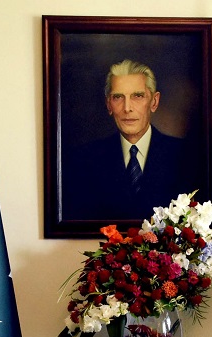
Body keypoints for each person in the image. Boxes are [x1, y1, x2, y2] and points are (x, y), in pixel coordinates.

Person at [62, 59, 201, 221]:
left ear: (154, 102)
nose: (127, 108)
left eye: (138, 96)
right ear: (109, 105)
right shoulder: (83, 160)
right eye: (118, 97)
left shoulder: (186, 156)